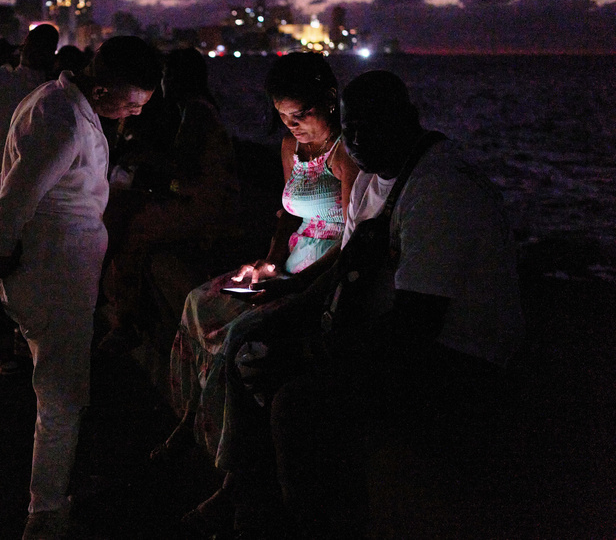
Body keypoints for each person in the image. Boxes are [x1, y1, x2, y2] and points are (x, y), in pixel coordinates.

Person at [206, 69, 524, 539]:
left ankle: (296, 522)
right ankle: (249, 503)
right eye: (351, 128)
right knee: (255, 348)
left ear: (407, 119)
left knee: (296, 400)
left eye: (370, 126)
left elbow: (416, 324)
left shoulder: (438, 189)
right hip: (400, 336)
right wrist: (288, 305)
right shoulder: (377, 180)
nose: (356, 140)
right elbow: (344, 268)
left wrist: (320, 351)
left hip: (458, 360)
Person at [0, 36, 161, 540]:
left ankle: (61, 491)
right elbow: (11, 201)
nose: (134, 114)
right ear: (102, 89)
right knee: (59, 400)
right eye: (131, 103)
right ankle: (46, 513)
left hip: (60, 277)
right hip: (52, 280)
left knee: (63, 392)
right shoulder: (62, 120)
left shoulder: (60, 103)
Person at [152, 52, 357, 469]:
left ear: (330, 101)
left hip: (323, 271)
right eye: (283, 116)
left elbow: (352, 237)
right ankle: (191, 420)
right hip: (292, 261)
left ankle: (231, 462)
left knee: (240, 336)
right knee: (199, 301)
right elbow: (288, 217)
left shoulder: (344, 153)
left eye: (301, 114)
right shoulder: (290, 146)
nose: (292, 125)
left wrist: (296, 283)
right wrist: (267, 262)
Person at [98, 47, 241, 353]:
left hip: (204, 208)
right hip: (204, 201)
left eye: (165, 75)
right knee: (123, 204)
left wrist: (145, 156)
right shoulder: (197, 109)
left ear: (177, 78)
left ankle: (125, 319)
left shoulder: (197, 112)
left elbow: (184, 169)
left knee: (132, 229)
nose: (163, 83)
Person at [0, 23, 60, 374]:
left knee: (27, 265)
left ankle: (18, 338)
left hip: (36, 186)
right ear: (24, 48)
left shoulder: (52, 87)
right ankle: (1, 341)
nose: (40, 53)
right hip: (2, 183)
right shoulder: (6, 80)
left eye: (46, 48)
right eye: (36, 46)